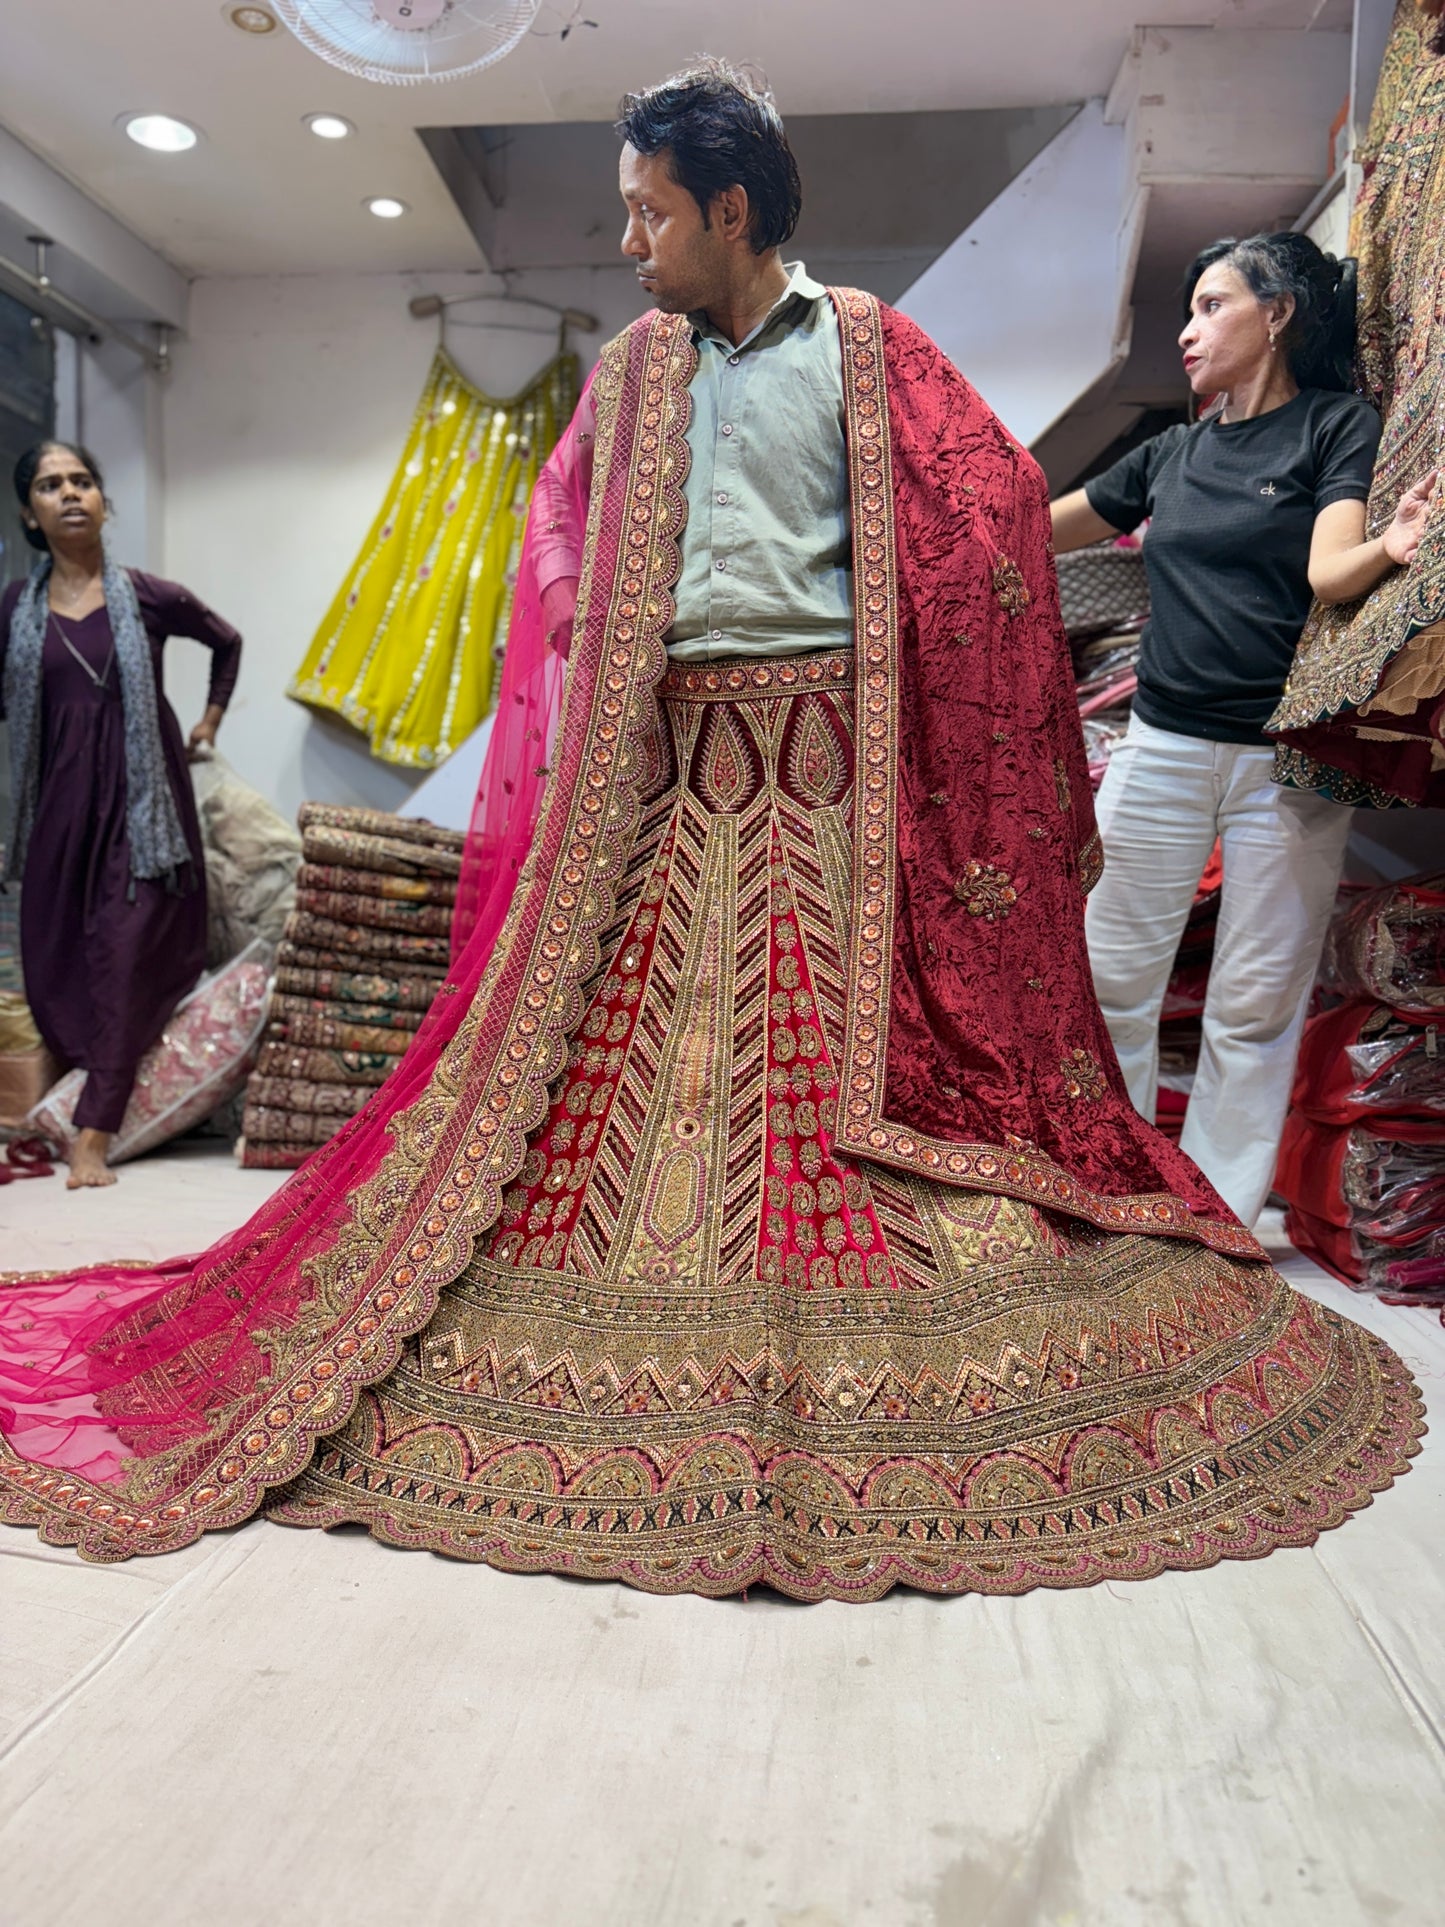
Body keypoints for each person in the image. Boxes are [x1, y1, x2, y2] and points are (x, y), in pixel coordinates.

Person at [0, 75, 1418, 1596]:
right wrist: (577, 613)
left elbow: (994, 503)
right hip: (666, 773)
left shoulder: (867, 345)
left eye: (650, 213)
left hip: (828, 781)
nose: (629, 242)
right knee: (601, 1080)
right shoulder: (632, 369)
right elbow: (557, 512)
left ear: (729, 212)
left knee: (832, 1066)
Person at [1050, 233, 1436, 1228]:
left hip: (1287, 763)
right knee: (1107, 980)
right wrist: (927, 501)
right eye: (1186, 312)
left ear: (1277, 313)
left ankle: (1217, 1215)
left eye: (1210, 306)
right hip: (1161, 748)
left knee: (1255, 1003)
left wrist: (1390, 545)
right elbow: (1038, 524)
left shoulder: (1332, 425)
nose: (1186, 330)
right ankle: (1125, 1197)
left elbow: (1326, 570)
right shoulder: (1170, 454)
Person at [1, 440, 242, 1187]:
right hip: (60, 807)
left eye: (83, 480)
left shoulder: (146, 595)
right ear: (30, 515)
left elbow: (226, 642)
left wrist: (208, 722)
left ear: (104, 502)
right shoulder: (15, 610)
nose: (70, 493)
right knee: (56, 958)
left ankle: (93, 1135)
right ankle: (86, 1094)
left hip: (147, 811)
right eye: (51, 485)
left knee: (127, 950)